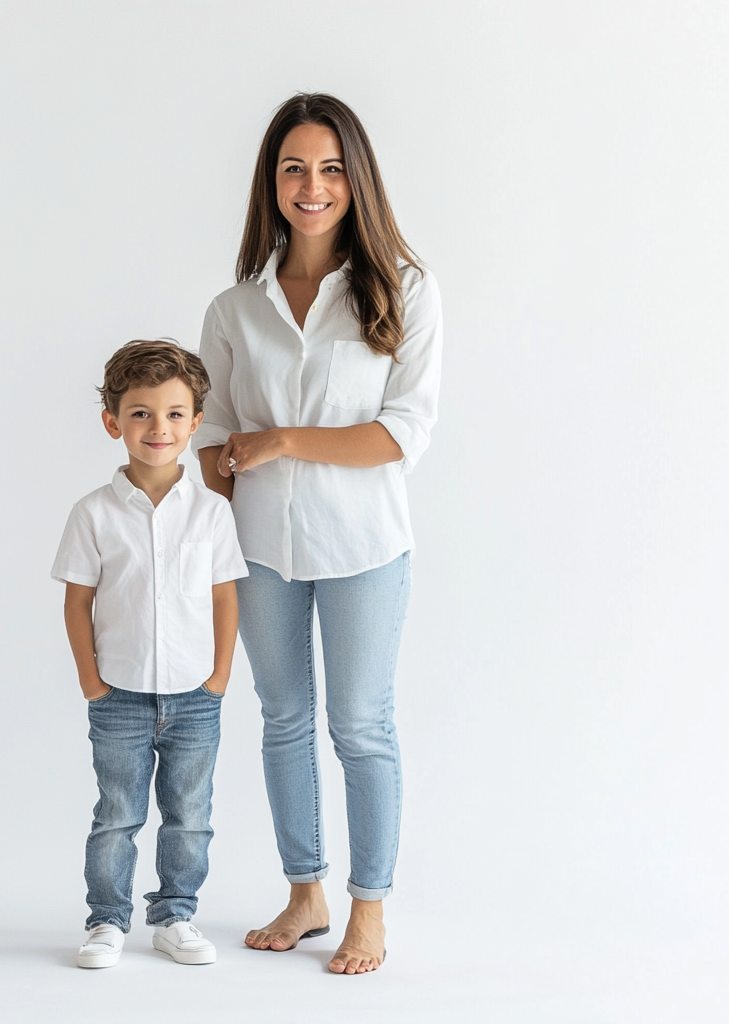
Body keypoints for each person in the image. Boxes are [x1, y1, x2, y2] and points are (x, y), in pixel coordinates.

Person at [193, 94, 443, 975]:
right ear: (272, 180)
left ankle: (368, 909)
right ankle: (307, 892)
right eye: (295, 167)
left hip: (365, 547)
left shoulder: (403, 289)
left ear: (356, 180)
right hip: (259, 544)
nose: (313, 185)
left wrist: (284, 440)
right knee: (283, 717)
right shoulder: (234, 307)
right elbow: (211, 435)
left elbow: (400, 435)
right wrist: (216, 470)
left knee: (362, 725)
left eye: (332, 168)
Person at [52, 340, 248, 968]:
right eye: (140, 413)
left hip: (196, 696)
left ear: (194, 422)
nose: (157, 428)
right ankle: (106, 921)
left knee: (189, 815)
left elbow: (224, 598)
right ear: (113, 422)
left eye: (172, 413)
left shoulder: (214, 513)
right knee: (117, 813)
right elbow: (77, 602)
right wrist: (92, 682)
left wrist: (218, 678)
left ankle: (175, 916)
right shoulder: (93, 514)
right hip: (119, 695)